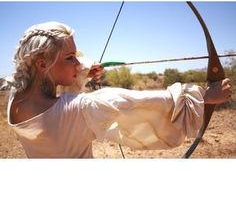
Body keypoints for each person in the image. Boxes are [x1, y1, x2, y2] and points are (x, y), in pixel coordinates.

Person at [1, 21, 231, 158]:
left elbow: (53, 88)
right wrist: (203, 96)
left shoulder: (16, 95)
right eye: (71, 58)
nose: (78, 64)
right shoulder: (80, 110)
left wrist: (79, 70)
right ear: (42, 64)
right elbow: (136, 101)